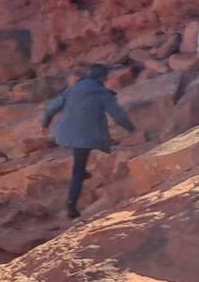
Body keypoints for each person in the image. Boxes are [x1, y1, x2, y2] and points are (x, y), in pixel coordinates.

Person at [41, 63, 136, 218]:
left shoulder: (71, 90)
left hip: (67, 133)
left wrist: (45, 124)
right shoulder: (102, 94)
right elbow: (118, 115)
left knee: (80, 160)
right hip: (87, 136)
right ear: (102, 78)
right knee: (78, 168)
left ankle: (81, 176)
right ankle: (71, 206)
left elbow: (50, 108)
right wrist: (132, 129)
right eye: (105, 78)